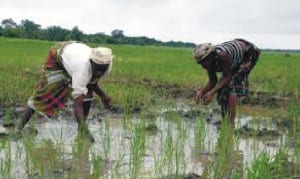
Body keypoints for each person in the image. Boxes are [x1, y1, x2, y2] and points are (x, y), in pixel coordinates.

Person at [16, 41, 114, 141]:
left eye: (102, 69)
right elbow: (77, 104)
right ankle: (17, 130)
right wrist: (86, 130)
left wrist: (103, 96)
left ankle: (81, 133)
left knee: (88, 93)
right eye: (97, 68)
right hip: (58, 55)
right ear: (91, 62)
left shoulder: (106, 65)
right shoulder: (82, 70)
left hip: (73, 53)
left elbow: (92, 82)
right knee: (43, 94)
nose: (99, 72)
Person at [193, 39, 261, 126]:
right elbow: (213, 81)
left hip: (248, 54)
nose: (203, 65)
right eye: (200, 63)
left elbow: (228, 77)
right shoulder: (208, 63)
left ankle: (231, 123)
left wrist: (212, 92)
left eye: (204, 61)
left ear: (211, 56)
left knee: (232, 86)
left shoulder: (222, 55)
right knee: (223, 91)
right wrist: (202, 92)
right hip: (233, 60)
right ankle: (226, 120)